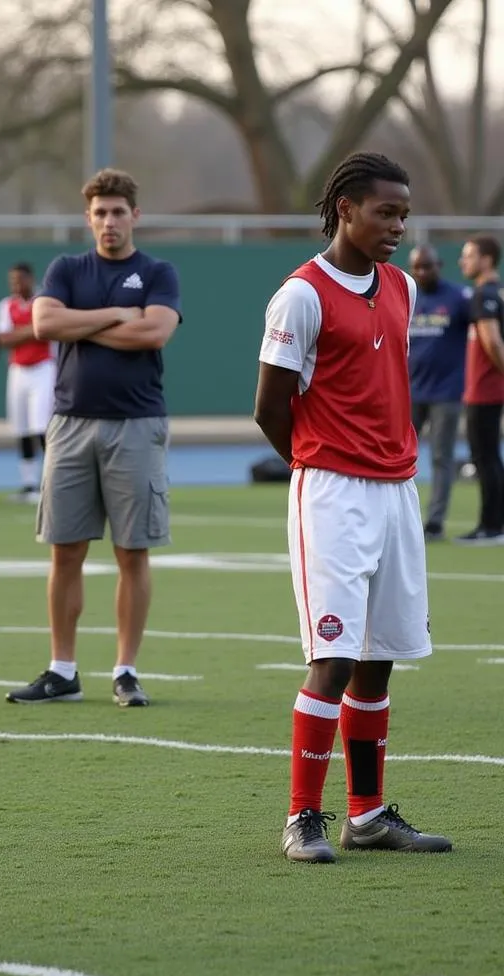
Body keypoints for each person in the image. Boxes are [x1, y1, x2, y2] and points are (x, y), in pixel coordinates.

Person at [253, 151, 453, 864]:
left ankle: (365, 815)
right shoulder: (301, 295)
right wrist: (318, 463)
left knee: (380, 661)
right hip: (332, 492)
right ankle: (301, 817)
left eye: (404, 213)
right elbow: (269, 409)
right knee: (332, 658)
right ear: (345, 208)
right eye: (385, 212)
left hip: (398, 490)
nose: (398, 226)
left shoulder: (399, 285)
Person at [4, 168, 181, 709]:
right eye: (100, 213)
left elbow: (154, 331)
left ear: (135, 216)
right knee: (66, 552)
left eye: (118, 212)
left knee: (133, 554)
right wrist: (112, 315)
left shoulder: (157, 271)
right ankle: (63, 670)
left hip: (136, 425)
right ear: (89, 218)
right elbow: (43, 325)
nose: (109, 221)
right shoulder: (66, 268)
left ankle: (126, 671)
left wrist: (79, 322)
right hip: (71, 424)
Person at [407, 245, 469, 540]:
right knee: (397, 456)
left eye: (427, 266)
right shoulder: (407, 297)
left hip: (446, 392)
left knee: (442, 457)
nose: (422, 272)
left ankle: (434, 522)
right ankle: (400, 520)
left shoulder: (458, 298)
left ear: (439, 265)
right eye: (416, 267)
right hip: (410, 391)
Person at [457, 235, 504, 544]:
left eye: (470, 256)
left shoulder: (484, 294)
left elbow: (492, 342)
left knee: (485, 458)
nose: (464, 262)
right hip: (487, 389)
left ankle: (491, 526)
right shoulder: (495, 292)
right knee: (490, 458)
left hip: (485, 390)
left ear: (486, 260)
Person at [0, 262, 55, 503]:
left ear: (31, 279)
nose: (16, 285)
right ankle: (29, 484)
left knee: (41, 427)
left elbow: (47, 331)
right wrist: (30, 330)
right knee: (20, 427)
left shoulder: (44, 301)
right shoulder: (6, 305)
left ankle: (51, 481)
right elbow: (3, 339)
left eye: (20, 280)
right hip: (18, 370)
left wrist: (20, 333)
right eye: (12, 281)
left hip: (43, 368)